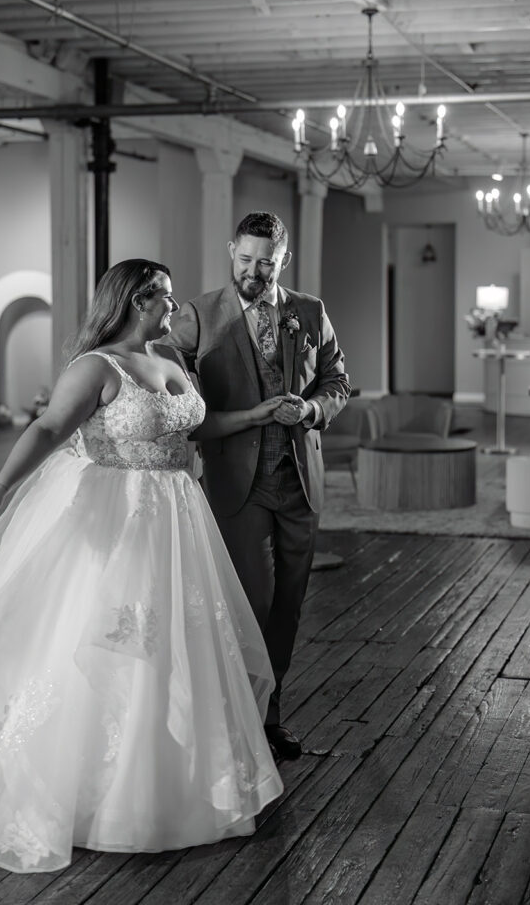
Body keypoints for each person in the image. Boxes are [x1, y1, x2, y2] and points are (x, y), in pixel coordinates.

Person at [0, 259, 285, 873]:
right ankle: (99, 800)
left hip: (179, 518)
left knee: (177, 647)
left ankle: (174, 783)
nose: (174, 303)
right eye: (164, 295)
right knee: (112, 645)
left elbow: (190, 429)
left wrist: (255, 415)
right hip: (122, 518)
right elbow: (51, 426)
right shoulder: (97, 367)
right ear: (138, 301)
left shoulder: (173, 359)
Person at [162, 212, 350, 761]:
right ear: (231, 251)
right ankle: (235, 716)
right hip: (236, 484)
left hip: (300, 483)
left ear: (282, 259)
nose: (253, 270)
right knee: (251, 603)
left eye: (265, 261)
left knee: (288, 606)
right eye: (244, 259)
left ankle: (268, 716)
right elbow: (166, 372)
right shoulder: (198, 314)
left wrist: (313, 407)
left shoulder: (310, 312)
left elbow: (338, 377)